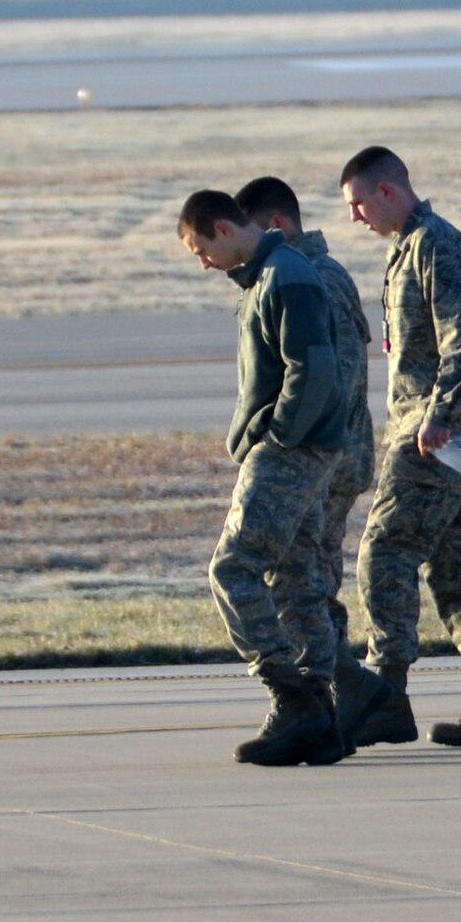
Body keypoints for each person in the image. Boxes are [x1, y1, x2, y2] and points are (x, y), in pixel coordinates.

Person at [340, 145, 461, 747]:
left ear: (388, 191)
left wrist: (438, 415)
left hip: (436, 435)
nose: (355, 218)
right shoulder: (408, 248)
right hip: (438, 431)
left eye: (358, 203)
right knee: (460, 563)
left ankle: (387, 691)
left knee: (386, 548)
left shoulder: (435, 245)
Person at [235, 175, 409, 750]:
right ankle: (342, 707)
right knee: (308, 585)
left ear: (277, 226)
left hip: (322, 460)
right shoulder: (320, 274)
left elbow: (322, 380)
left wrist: (288, 444)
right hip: (336, 458)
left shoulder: (308, 278)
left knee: (297, 586)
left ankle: (350, 697)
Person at [177, 189, 349, 766]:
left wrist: (279, 434)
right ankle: (319, 720)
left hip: (291, 451)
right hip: (306, 447)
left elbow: (315, 367)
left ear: (224, 229)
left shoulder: (284, 277)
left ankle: (290, 694)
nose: (202, 261)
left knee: (234, 568)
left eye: (200, 248)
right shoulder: (271, 276)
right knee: (298, 579)